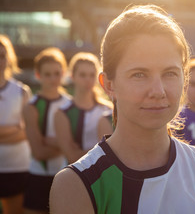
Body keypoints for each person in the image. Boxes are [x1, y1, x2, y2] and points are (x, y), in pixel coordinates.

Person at [50, 4, 195, 214]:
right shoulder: (76, 183)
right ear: (108, 85)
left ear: (184, 79)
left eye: (170, 73)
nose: (158, 91)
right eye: (139, 74)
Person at [23, 47, 71, 214]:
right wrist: (65, 145)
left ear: (64, 73)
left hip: (66, 177)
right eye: (47, 74)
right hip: (38, 177)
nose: (53, 79)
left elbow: (79, 146)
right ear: (38, 75)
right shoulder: (32, 106)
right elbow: (38, 152)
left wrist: (53, 142)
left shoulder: (70, 104)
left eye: (57, 73)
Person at [54, 52, 113, 164]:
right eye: (82, 75)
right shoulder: (62, 113)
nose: (88, 79)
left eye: (92, 75)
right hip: (75, 177)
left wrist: (81, 151)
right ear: (72, 76)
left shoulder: (109, 109)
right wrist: (104, 149)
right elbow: (71, 156)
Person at [0, 35, 31, 214]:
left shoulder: (21, 91)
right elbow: (20, 130)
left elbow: (27, 132)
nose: (0, 60)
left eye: (3, 55)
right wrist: (14, 129)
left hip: (16, 165)